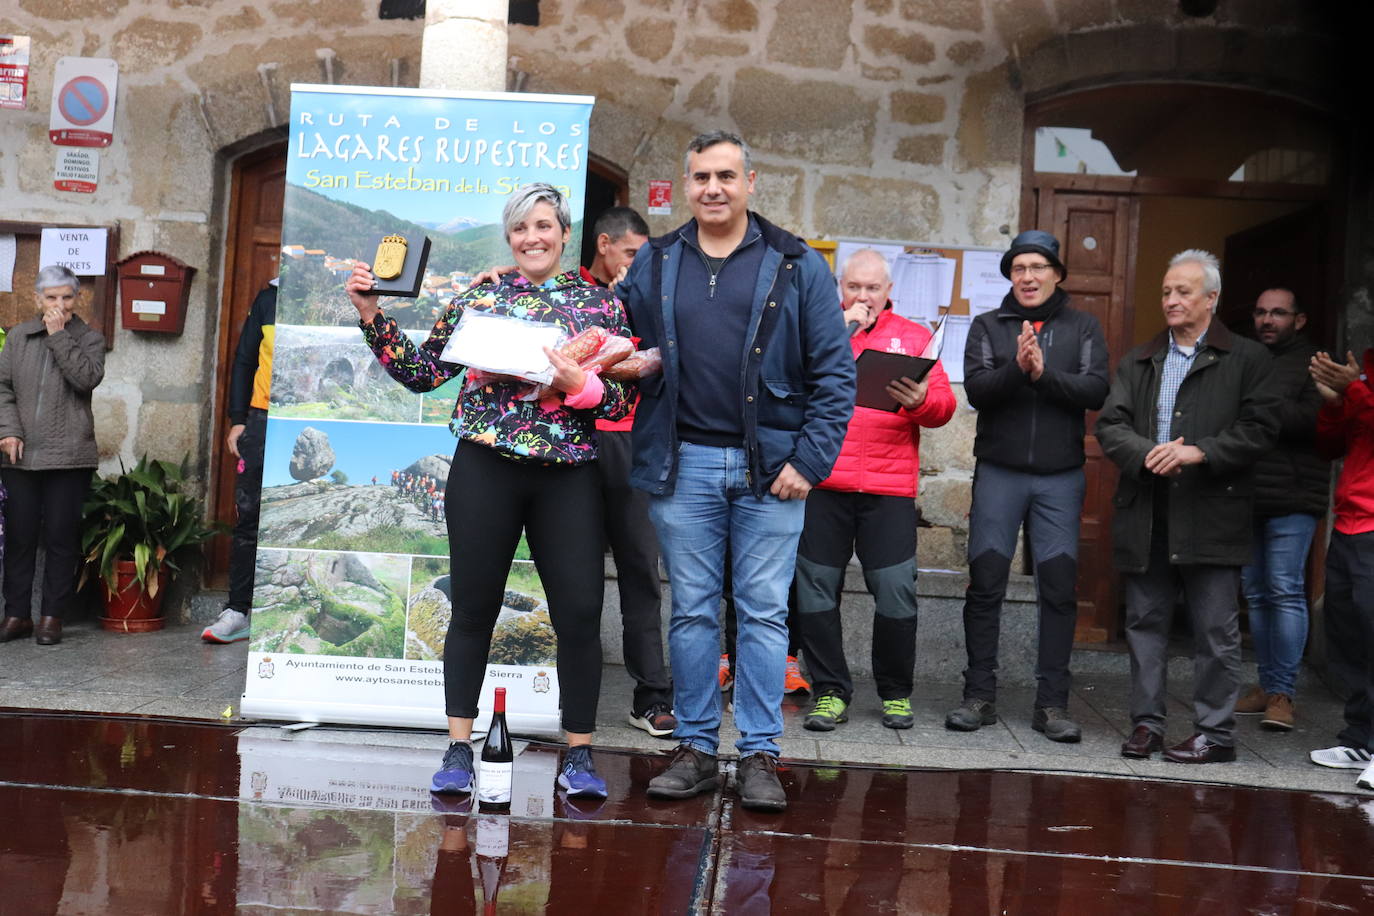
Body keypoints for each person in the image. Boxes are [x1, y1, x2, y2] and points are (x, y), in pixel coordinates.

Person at [346, 183, 634, 798]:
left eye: (544, 226)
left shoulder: (600, 305)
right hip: (485, 470)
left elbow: (622, 399)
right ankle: (458, 748)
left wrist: (580, 383)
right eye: (521, 228)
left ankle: (578, 755)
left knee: (580, 614)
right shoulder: (482, 296)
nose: (533, 238)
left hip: (569, 475)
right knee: (472, 609)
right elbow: (423, 373)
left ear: (564, 232)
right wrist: (372, 313)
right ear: (509, 238)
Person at [624, 130, 856, 812]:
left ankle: (759, 754)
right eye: (701, 177)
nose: (713, 188)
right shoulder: (659, 261)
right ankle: (696, 748)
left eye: (726, 175)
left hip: (772, 472)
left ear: (752, 181)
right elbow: (611, 333)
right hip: (683, 465)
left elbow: (834, 374)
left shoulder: (794, 263)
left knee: (761, 615)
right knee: (692, 613)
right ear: (687, 185)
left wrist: (809, 461)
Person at [1097, 249, 1279, 764]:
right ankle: (1146, 725)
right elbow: (1111, 425)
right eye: (1166, 292)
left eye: (1183, 291)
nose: (1171, 300)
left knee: (1215, 630)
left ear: (1212, 299)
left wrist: (1200, 451)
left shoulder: (1247, 359)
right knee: (1145, 623)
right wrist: (1147, 455)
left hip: (1211, 511)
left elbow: (1262, 429)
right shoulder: (1139, 358)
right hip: (1148, 510)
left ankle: (1215, 735)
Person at [946, 230, 1109, 743]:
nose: (1029, 277)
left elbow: (1095, 389)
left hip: (1060, 478)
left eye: (1038, 267)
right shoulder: (988, 326)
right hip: (1000, 472)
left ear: (1057, 273)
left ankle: (1052, 705)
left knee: (1058, 589)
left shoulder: (1083, 327)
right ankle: (979, 696)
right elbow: (977, 390)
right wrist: (1019, 369)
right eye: (1019, 268)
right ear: (1010, 277)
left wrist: (1042, 375)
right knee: (986, 584)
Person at [795, 249, 956, 732]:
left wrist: (922, 401)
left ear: (889, 292)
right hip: (823, 481)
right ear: (839, 288)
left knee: (895, 591)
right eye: (854, 287)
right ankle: (829, 691)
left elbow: (944, 406)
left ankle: (895, 693)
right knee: (816, 590)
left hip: (888, 489)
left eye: (872, 288)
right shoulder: (819, 330)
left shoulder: (913, 336)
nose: (862, 296)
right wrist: (841, 330)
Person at [582, 206, 677, 739]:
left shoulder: (647, 300)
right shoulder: (573, 292)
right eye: (632, 254)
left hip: (635, 450)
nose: (639, 264)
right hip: (578, 447)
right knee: (578, 579)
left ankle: (652, 697)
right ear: (604, 245)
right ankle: (573, 694)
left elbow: (660, 357)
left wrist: (630, 302)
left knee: (642, 573)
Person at [0, 266, 106, 646]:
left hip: (69, 454)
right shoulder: (17, 337)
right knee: (20, 537)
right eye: (51, 298)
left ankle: (51, 617)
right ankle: (16, 615)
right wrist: (8, 430)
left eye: (66, 297)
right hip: (21, 456)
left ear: (77, 300)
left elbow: (86, 378)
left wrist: (59, 336)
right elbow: (3, 388)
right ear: (37, 299)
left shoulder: (89, 339)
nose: (58, 305)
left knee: (62, 537)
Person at [1236, 288, 1326, 729]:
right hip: (1247, 492)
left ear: (1299, 319)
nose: (1267, 319)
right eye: (1261, 312)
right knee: (1255, 592)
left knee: (1285, 590)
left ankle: (1282, 695)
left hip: (1294, 495)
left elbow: (1315, 422)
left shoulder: (1315, 363)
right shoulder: (1244, 355)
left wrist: (1259, 406)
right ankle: (1266, 685)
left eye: (1278, 313)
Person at [1306, 347, 1374, 790]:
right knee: (1349, 632)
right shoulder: (1366, 364)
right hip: (1349, 521)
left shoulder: (1362, 378)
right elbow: (1331, 445)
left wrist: (1356, 389)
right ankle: (1362, 739)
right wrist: (1335, 403)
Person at [203, 282, 276, 644]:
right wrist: (239, 418)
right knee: (249, 517)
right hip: (263, 418)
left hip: (323, 416)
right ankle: (238, 610)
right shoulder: (268, 297)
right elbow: (246, 359)